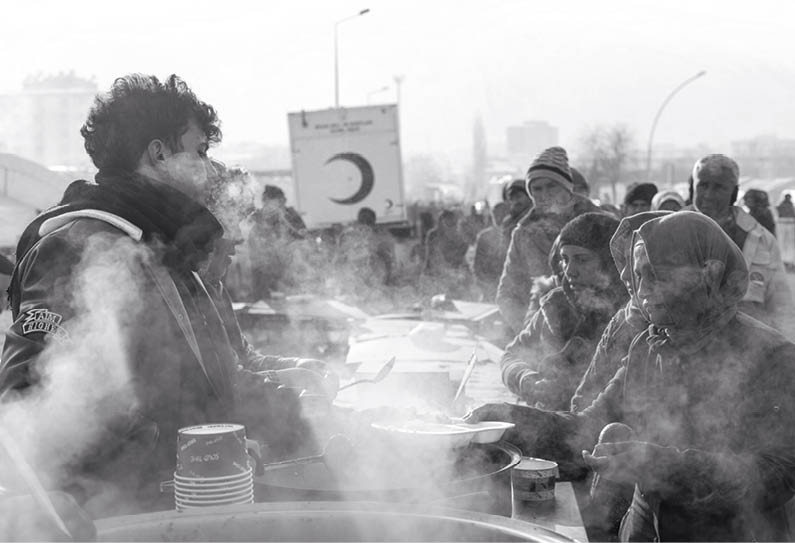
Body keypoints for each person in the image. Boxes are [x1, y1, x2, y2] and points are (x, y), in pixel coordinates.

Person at [0, 74, 333, 517]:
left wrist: (297, 413)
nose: (211, 169)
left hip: (192, 510)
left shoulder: (161, 251)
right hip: (127, 519)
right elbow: (29, 411)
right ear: (158, 154)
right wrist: (174, 462)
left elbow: (210, 382)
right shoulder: (78, 246)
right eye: (200, 151)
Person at [468, 212, 795, 541]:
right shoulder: (650, 345)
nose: (642, 289)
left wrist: (662, 466)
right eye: (638, 275)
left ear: (709, 273)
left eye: (656, 275)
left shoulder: (770, 356)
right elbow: (589, 428)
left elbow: (778, 472)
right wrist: (511, 421)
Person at [500, 213, 626, 410]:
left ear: (609, 264)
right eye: (565, 259)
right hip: (550, 423)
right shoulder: (556, 305)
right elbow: (512, 356)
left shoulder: (629, 316)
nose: (569, 271)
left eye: (582, 260)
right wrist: (525, 379)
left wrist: (563, 390)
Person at [497, 146, 601, 334]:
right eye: (537, 188)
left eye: (551, 186)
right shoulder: (523, 233)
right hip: (541, 334)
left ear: (566, 188)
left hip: (597, 330)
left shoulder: (598, 223)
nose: (544, 194)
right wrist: (529, 333)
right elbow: (507, 293)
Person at [689, 154, 793, 329]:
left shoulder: (762, 240)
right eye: (703, 185)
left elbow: (781, 307)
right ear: (693, 187)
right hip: (682, 351)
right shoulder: (668, 232)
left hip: (747, 351)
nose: (708, 194)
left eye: (719, 187)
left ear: (735, 193)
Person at [246, 184, 307, 299]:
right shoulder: (257, 220)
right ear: (265, 201)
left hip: (287, 277)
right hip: (264, 278)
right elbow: (257, 255)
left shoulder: (291, 216)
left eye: (282, 202)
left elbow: (302, 238)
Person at [472, 202, 509, 302]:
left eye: (502, 214)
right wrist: (486, 285)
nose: (498, 218)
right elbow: (477, 266)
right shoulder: (484, 236)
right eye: (496, 214)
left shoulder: (516, 234)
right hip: (489, 290)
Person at [501, 178, 533, 251]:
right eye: (511, 198)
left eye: (518, 197)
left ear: (529, 197)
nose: (515, 202)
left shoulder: (535, 218)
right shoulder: (508, 222)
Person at [777, 193, 795, 271]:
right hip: (783, 225)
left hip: (789, 225)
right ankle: (785, 262)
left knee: (788, 244)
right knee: (784, 244)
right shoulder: (782, 206)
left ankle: (788, 262)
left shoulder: (790, 206)